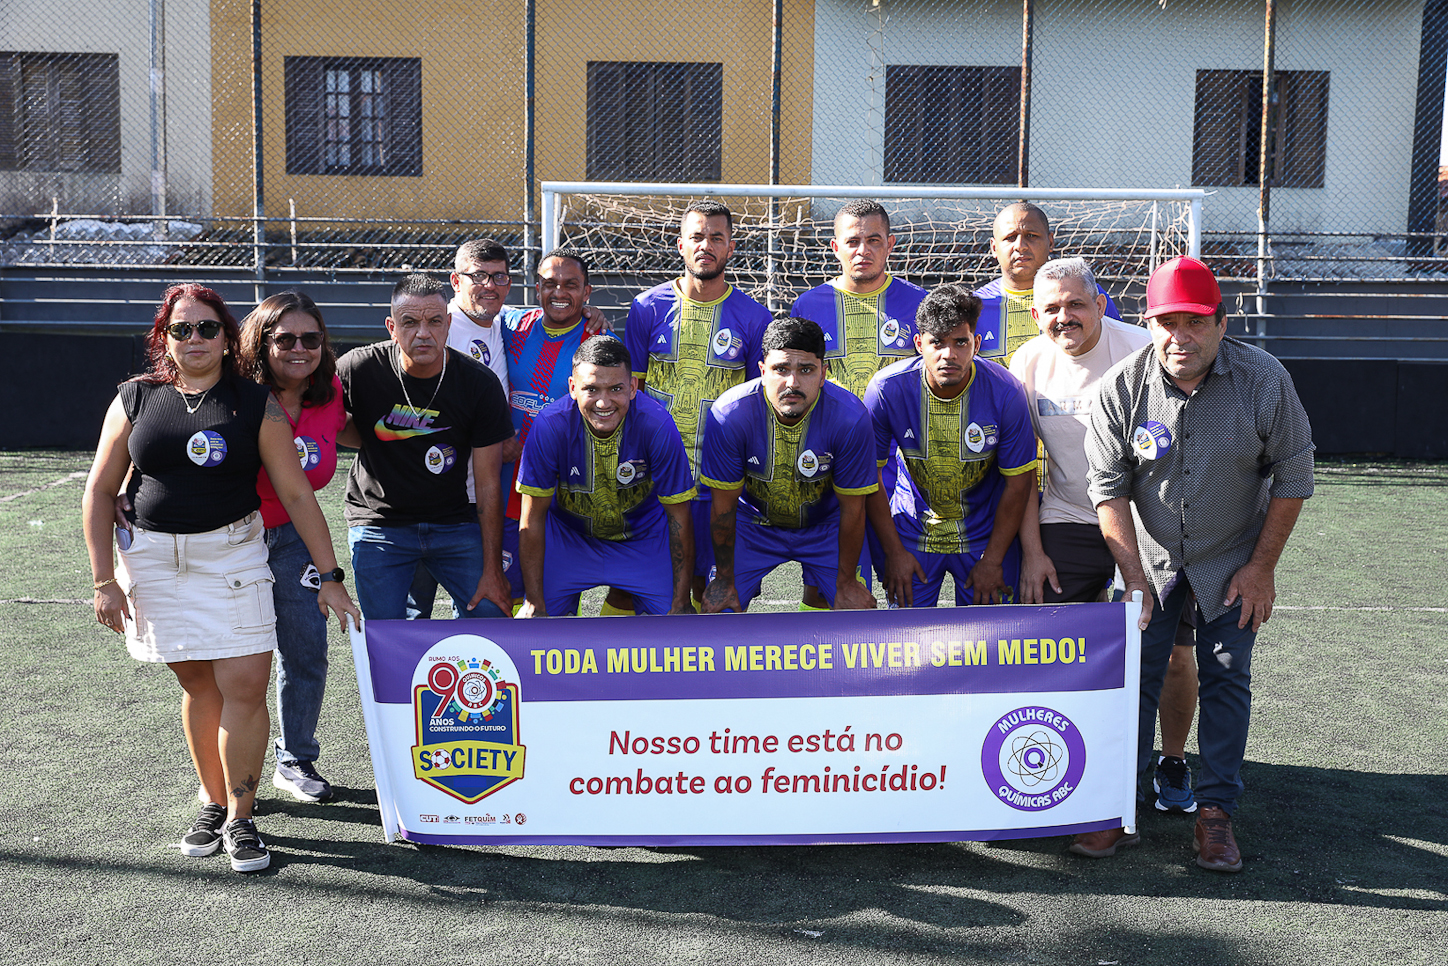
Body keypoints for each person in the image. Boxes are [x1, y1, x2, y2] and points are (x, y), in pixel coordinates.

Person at [83, 283, 360, 873]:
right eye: (181, 329)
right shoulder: (134, 398)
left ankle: (241, 816)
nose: (195, 339)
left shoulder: (252, 401)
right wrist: (104, 580)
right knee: (199, 687)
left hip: (234, 556)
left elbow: (295, 493)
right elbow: (102, 490)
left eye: (207, 328)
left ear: (226, 335)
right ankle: (211, 801)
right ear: (164, 336)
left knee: (244, 684)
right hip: (155, 562)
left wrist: (330, 574)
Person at [1077, 256, 1314, 872]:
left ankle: (1214, 815)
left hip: (1232, 555)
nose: (1180, 337)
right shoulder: (1121, 387)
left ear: (1221, 322)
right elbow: (1109, 487)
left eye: (1194, 322)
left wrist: (1261, 567)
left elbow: (1294, 474)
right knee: (1134, 678)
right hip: (1151, 557)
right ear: (1148, 323)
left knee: (1228, 675)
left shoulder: (1264, 380)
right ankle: (1117, 808)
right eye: (1166, 322)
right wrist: (1132, 577)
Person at [1010, 258, 1202, 812]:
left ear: (1099, 304)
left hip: (1150, 524)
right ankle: (1065, 751)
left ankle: (1171, 761)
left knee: (1167, 654)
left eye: (1075, 304)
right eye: (1051, 308)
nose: (1064, 316)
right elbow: (1022, 468)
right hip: (1069, 515)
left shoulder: (1145, 351)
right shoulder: (1027, 362)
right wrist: (1032, 550)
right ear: (1035, 313)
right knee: (1049, 643)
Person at [407, 239, 611, 618]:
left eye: (571, 285)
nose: (559, 292)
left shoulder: (601, 343)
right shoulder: (512, 323)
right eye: (550, 283)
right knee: (495, 599)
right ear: (537, 288)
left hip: (566, 488)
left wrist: (593, 314)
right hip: (498, 484)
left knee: (555, 598)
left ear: (587, 291)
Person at [338, 274, 513, 620]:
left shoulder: (478, 383)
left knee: (491, 612)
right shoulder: (358, 369)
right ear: (391, 326)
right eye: (410, 322)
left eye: (434, 321)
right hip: (379, 523)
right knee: (385, 636)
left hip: (453, 522)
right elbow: (322, 422)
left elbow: (488, 483)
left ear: (448, 324)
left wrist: (492, 569)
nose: (423, 332)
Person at [623, 201, 770, 610]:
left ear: (730, 247)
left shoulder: (756, 318)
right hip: (654, 474)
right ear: (681, 245)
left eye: (716, 238)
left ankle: (715, 674)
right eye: (697, 237)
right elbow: (630, 392)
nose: (706, 245)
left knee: (713, 597)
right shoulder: (646, 307)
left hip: (719, 479)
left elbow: (757, 404)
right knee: (654, 593)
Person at [235, 292, 347, 803]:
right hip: (233, 537)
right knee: (237, 657)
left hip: (298, 540)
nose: (299, 349)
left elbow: (354, 440)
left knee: (305, 647)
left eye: (312, 338)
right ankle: (225, 768)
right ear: (261, 342)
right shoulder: (234, 393)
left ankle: (295, 758)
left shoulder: (332, 392)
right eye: (285, 339)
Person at [789, 199, 928, 609]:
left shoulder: (918, 302)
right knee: (826, 581)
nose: (862, 250)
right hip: (828, 462)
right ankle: (817, 668)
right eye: (853, 241)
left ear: (891, 245)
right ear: (835, 247)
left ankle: (898, 665)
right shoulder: (808, 306)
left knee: (903, 578)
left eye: (873, 240)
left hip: (901, 469)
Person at [863, 283, 1038, 607]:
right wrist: (894, 552)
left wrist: (993, 558)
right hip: (913, 532)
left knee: (989, 648)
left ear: (976, 344)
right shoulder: (886, 389)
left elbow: (1018, 484)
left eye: (960, 342)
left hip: (984, 536)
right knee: (907, 647)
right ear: (919, 344)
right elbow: (869, 478)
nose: (949, 354)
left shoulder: (1006, 393)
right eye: (937, 343)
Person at [699, 317, 878, 613]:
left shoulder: (851, 418)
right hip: (753, 524)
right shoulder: (729, 414)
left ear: (823, 373)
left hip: (826, 525)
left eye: (806, 370)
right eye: (781, 369)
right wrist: (724, 578)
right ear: (762, 371)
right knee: (721, 609)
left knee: (854, 613)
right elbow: (723, 508)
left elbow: (853, 509)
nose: (792, 383)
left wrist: (846, 582)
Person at [515, 338, 697, 616]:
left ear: (633, 387)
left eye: (616, 389)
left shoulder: (657, 425)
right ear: (573, 388)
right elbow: (532, 517)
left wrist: (682, 600)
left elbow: (678, 516)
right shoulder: (549, 426)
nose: (603, 402)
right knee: (539, 630)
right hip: (568, 539)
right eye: (591, 389)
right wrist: (533, 599)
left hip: (642, 541)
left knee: (675, 633)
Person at [974, 201, 1122, 367]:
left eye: (1031, 235)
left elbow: (1118, 348)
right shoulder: (974, 306)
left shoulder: (1086, 295)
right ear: (994, 247)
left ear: (1050, 241)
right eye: (1010, 238)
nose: (1020, 246)